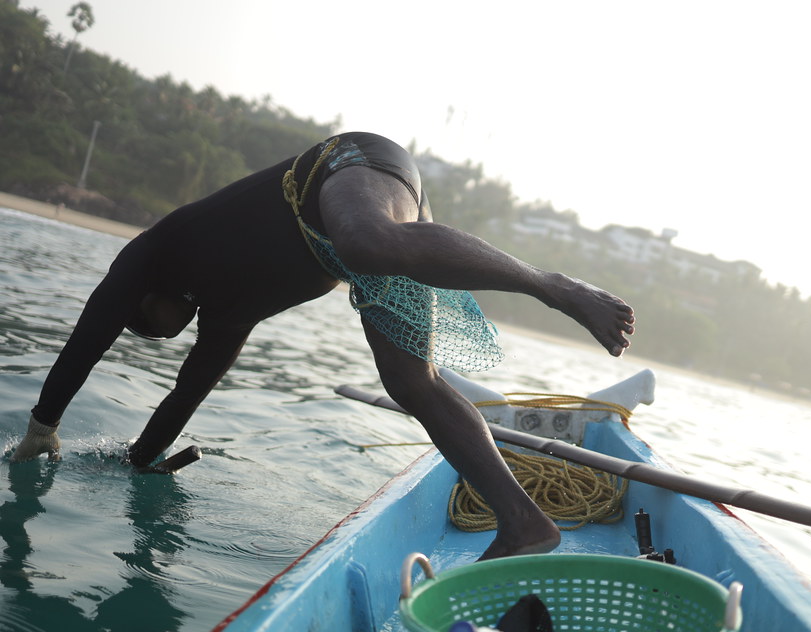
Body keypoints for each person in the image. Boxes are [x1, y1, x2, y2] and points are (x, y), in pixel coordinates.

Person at [11, 131, 635, 560]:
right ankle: (523, 520)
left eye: (146, 322)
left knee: (368, 241)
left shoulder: (158, 248)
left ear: (146, 295)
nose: (158, 333)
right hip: (362, 238)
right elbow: (184, 396)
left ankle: (552, 286)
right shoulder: (225, 318)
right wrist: (138, 461)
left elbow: (89, 333)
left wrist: (44, 420)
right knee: (412, 384)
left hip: (346, 169)